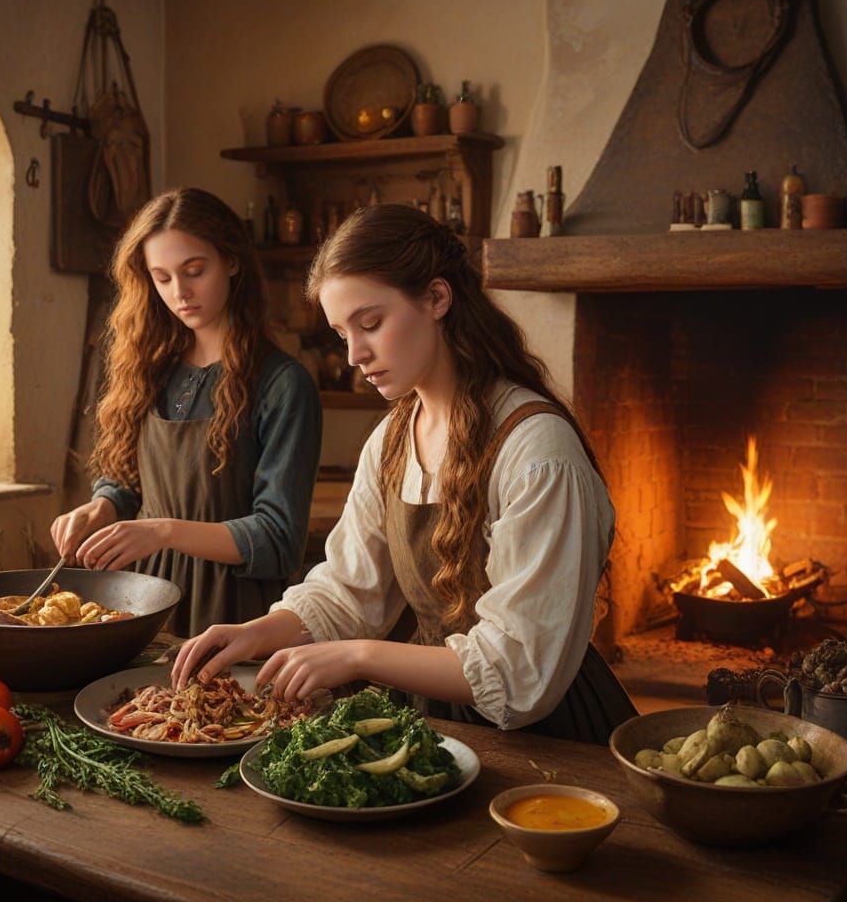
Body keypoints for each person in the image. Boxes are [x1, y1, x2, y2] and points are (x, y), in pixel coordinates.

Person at [171, 204, 636, 743]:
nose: (355, 354)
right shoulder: (393, 439)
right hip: (434, 723)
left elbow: (519, 672)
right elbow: (350, 590)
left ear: (437, 298)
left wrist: (358, 657)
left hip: (548, 739)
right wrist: (255, 634)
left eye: (370, 323)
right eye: (342, 333)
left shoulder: (537, 451)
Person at [50, 188, 322, 637]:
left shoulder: (283, 384)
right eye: (162, 278)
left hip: (238, 613)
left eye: (195, 271)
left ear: (232, 261)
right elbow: (129, 482)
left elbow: (277, 538)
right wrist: (103, 505)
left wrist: (163, 532)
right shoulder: (147, 368)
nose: (180, 293)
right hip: (144, 602)